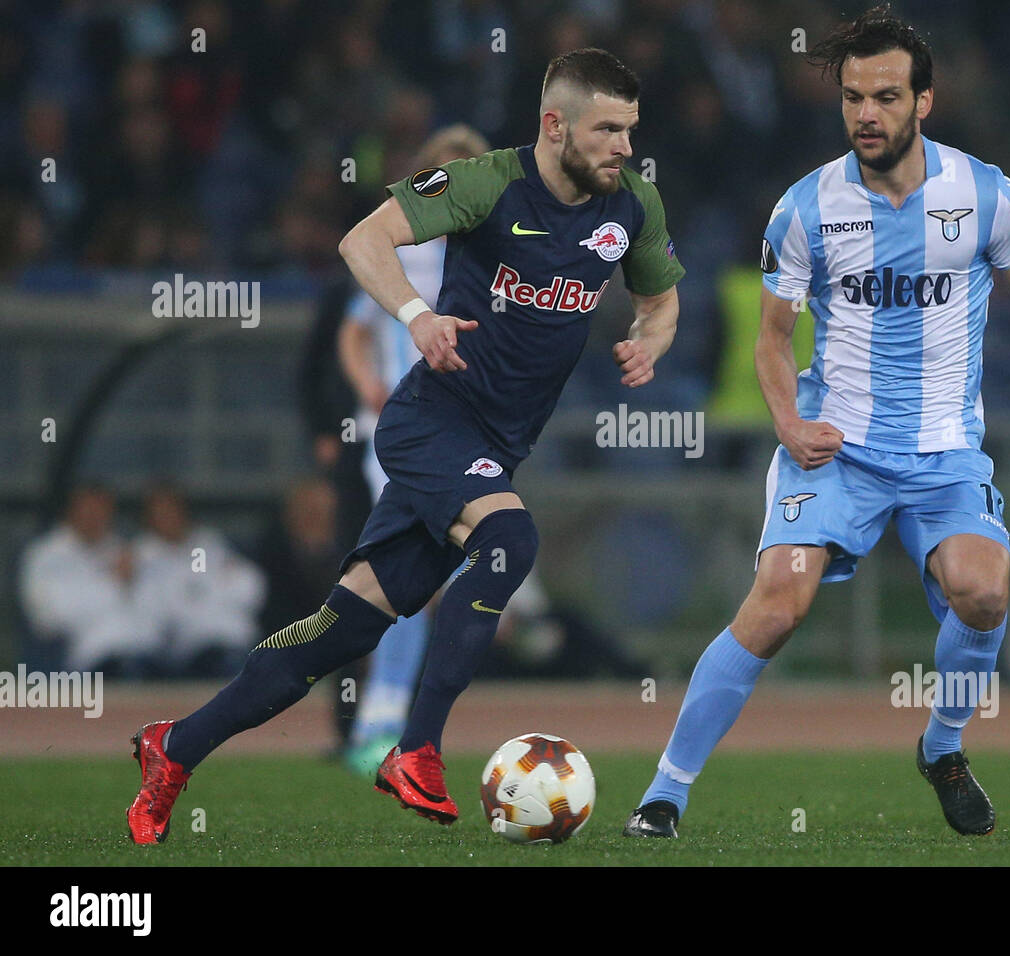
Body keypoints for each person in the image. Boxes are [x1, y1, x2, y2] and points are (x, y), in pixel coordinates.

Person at [126, 47, 685, 844]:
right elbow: (363, 241)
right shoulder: (486, 180)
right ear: (554, 125)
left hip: (495, 443)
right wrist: (416, 317)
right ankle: (416, 748)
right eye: (608, 130)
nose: (625, 147)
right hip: (430, 423)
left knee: (341, 630)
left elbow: (661, 301)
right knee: (508, 539)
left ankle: (172, 748)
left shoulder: (632, 205)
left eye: (630, 131)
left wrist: (649, 339)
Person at [623, 8, 1010, 840]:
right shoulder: (806, 208)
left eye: (884, 96)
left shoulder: (985, 193)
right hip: (836, 446)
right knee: (777, 601)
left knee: (983, 594)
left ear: (925, 101)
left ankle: (942, 747)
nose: (865, 114)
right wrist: (786, 424)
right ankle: (665, 792)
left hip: (945, 450)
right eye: (851, 98)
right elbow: (771, 340)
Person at [335, 123, 491, 775]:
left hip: (464, 436)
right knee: (412, 580)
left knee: (420, 581)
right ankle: (381, 727)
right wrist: (367, 382)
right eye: (443, 174)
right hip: (404, 437)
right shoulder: (406, 251)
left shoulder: (489, 257)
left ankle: (386, 725)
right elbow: (354, 330)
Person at [132, 482, 266, 678]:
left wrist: (210, 590)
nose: (167, 517)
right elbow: (162, 611)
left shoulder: (208, 542)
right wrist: (208, 591)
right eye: (159, 512)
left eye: (172, 510)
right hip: (187, 651)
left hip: (236, 642)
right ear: (148, 518)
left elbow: (251, 586)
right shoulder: (140, 555)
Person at [19, 484, 157, 675]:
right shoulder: (46, 555)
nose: (94, 516)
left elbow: (151, 607)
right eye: (88, 509)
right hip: (87, 658)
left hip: (145, 653)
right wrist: (113, 582)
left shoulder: (122, 550)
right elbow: (49, 619)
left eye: (101, 509)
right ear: (71, 511)